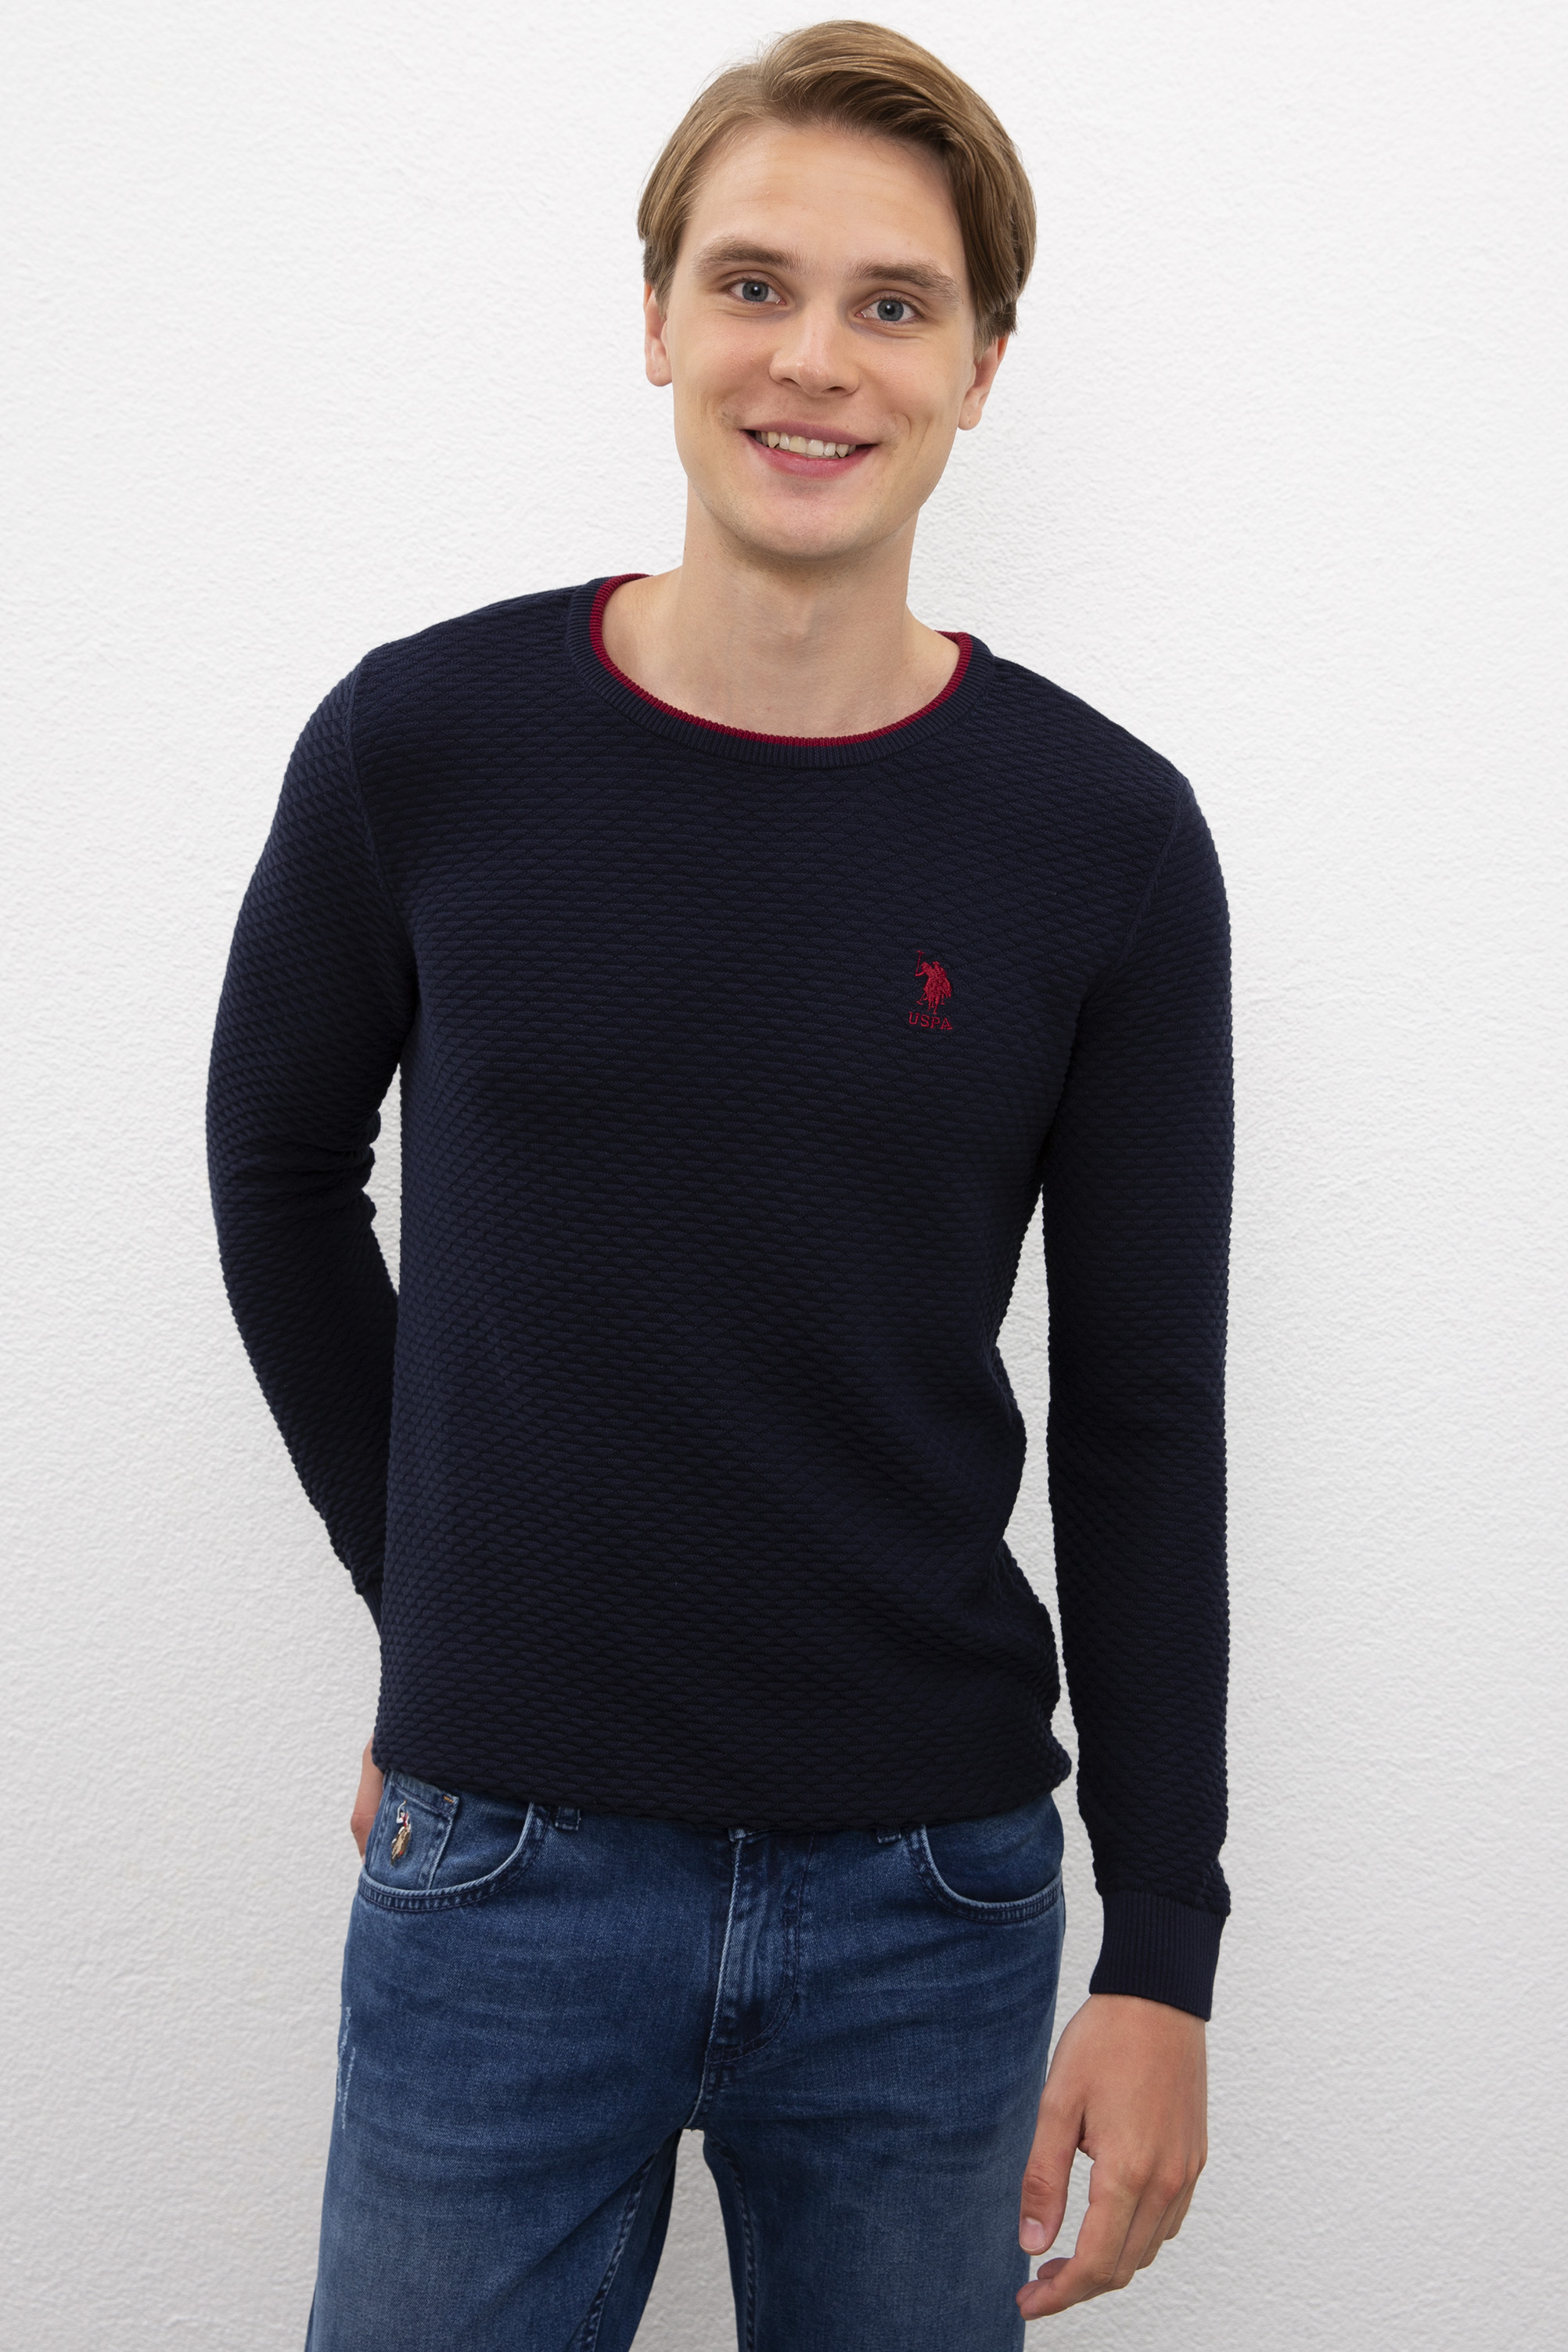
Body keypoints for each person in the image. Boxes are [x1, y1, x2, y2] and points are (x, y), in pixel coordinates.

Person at [207, 21, 1232, 2348]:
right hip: (500, 1864)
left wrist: (1162, 1944)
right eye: (754, 283)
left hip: (930, 1902)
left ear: (980, 369)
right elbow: (276, 1173)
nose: (814, 359)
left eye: (894, 304)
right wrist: (426, 1606)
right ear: (658, 318)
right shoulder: (424, 747)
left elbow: (1143, 1406)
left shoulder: (1102, 838)